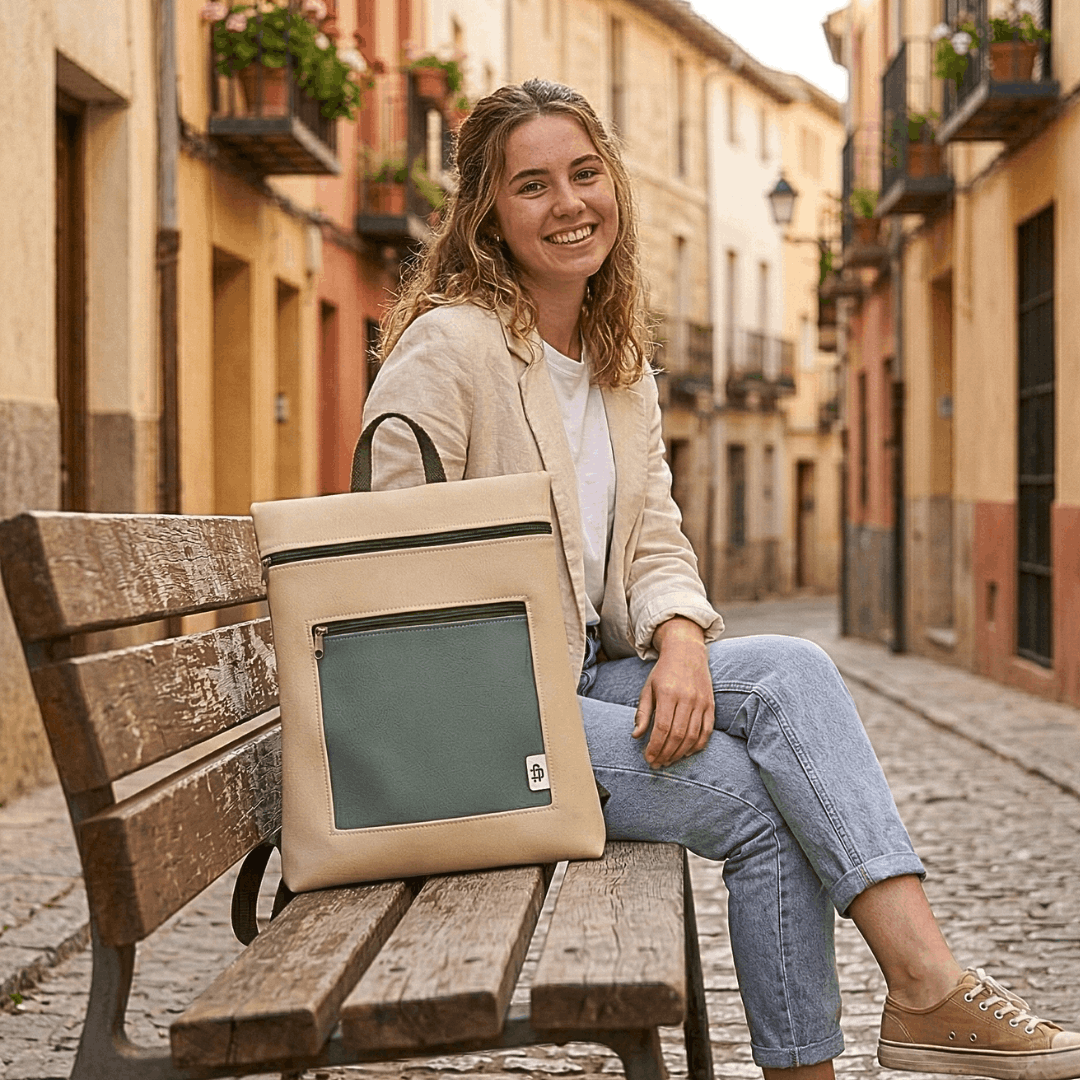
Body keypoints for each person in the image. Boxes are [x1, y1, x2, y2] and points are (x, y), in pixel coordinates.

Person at [361, 78, 1080, 1080]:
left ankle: (926, 991)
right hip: (476, 719)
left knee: (791, 672)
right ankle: (904, 1009)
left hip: (570, 682)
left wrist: (684, 642)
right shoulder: (452, 345)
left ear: (613, 180)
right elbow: (376, 548)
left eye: (583, 173)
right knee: (758, 793)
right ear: (485, 211)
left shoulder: (615, 364)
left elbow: (653, 532)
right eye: (532, 185)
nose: (568, 203)